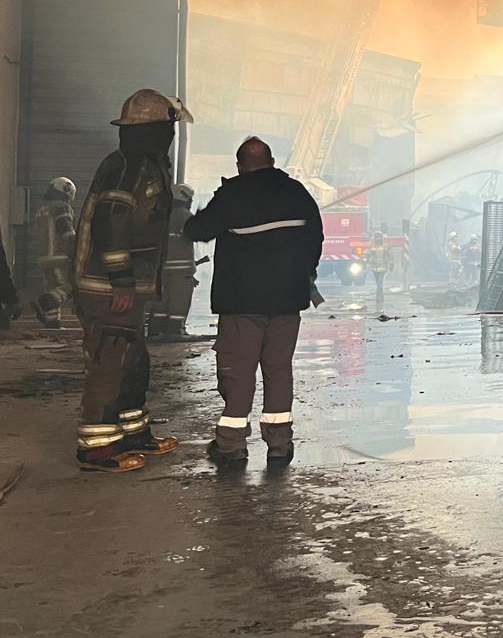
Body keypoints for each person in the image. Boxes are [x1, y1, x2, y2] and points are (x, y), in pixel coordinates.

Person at [183, 136, 323, 467]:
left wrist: (200, 213)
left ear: (239, 166)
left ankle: (231, 446)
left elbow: (197, 231)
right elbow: (315, 238)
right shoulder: (297, 193)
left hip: (241, 303)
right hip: (288, 301)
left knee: (238, 372)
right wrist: (303, 275)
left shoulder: (232, 194)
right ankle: (279, 444)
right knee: (278, 369)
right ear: (272, 162)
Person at [72, 89, 191, 472]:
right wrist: (121, 280)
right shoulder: (126, 166)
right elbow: (111, 221)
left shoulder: (148, 164)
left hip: (127, 289)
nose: (172, 135)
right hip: (106, 287)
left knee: (133, 360)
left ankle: (133, 433)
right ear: (156, 129)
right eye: (169, 127)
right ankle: (96, 448)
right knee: (110, 360)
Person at [147, 183, 199, 341]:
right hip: (181, 272)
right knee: (178, 304)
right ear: (186, 198)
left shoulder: (158, 215)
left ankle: (155, 332)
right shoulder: (186, 216)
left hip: (159, 269)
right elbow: (198, 234)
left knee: (160, 304)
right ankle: (175, 332)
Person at [31, 177, 77, 328]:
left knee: (53, 288)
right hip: (59, 256)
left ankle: (52, 323)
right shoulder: (61, 207)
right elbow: (66, 231)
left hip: (43, 257)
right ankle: (44, 302)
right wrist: (77, 248)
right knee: (71, 286)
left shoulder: (41, 210)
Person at [366, 228, 392, 313]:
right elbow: (367, 255)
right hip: (374, 268)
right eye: (376, 237)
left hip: (383, 268)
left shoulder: (385, 246)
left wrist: (391, 264)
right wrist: (365, 261)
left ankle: (379, 298)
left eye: (379, 237)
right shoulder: (372, 247)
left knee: (380, 284)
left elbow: (390, 255)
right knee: (378, 283)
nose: (378, 239)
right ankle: (380, 296)